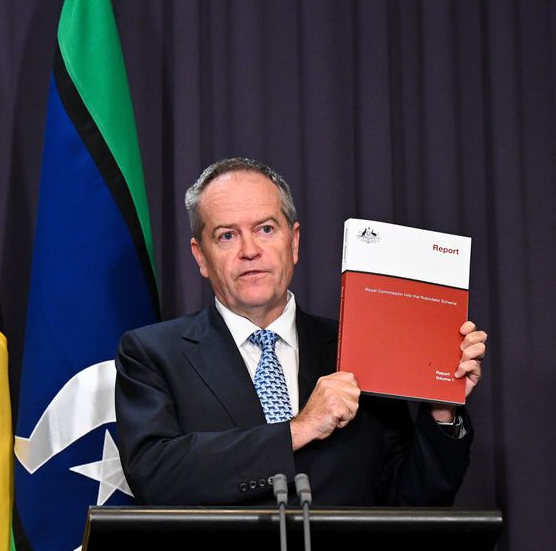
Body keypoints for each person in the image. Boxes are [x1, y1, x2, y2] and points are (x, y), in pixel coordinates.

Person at [115, 157, 487, 505]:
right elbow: (154, 474)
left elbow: (411, 503)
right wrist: (298, 429)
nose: (250, 250)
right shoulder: (152, 353)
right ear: (201, 256)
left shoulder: (359, 346)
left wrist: (441, 407)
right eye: (227, 235)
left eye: (265, 229)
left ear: (292, 242)